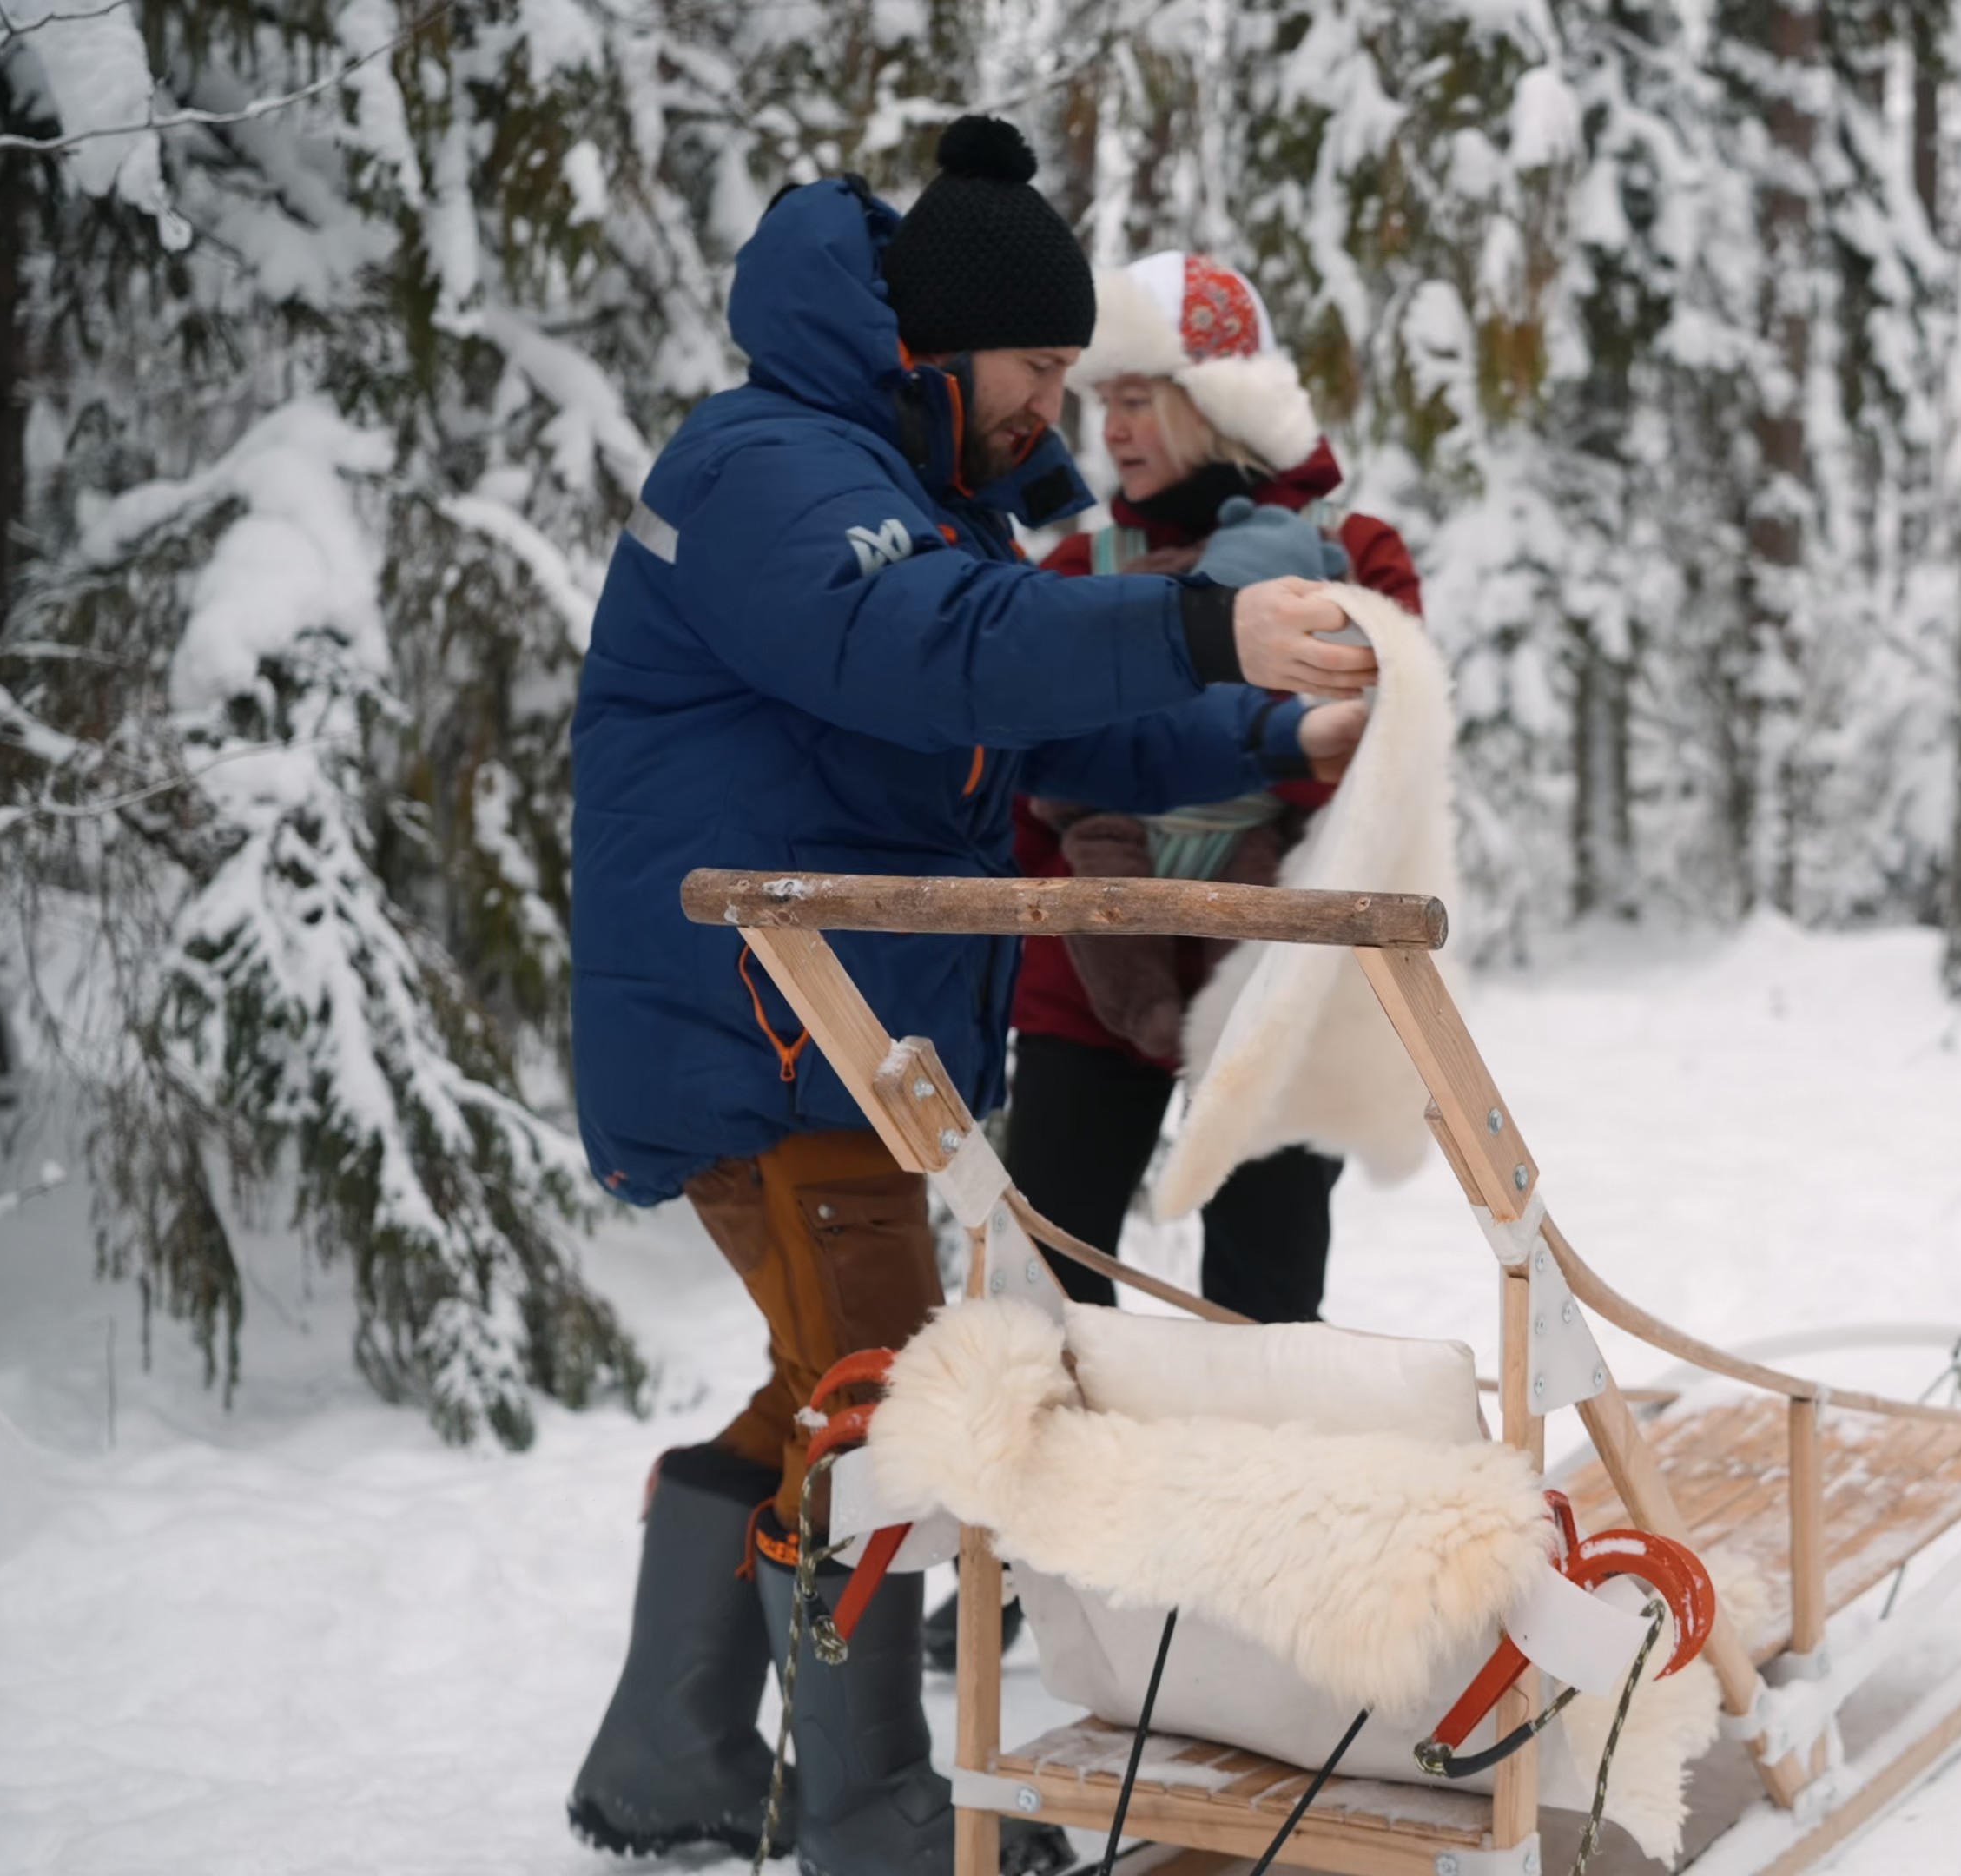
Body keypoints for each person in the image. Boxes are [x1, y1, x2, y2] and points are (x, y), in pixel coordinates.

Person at [559, 119, 1372, 1876]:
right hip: (763, 1033)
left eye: (1076, 376)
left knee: (831, 1383)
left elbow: (1041, 712)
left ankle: (674, 1759)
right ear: (937, 342)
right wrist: (1200, 633)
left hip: (826, 1037)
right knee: (888, 1401)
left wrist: (1268, 726)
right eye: (1037, 368)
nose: (1052, 411)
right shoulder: (774, 471)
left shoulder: (908, 493)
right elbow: (935, 651)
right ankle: (882, 1827)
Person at [1004, 251, 1424, 1325]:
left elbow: (1380, 771)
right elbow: (1027, 775)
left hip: (1275, 972)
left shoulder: (1357, 558)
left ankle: (1259, 1484)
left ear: (1218, 402)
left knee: (1267, 1302)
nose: (1115, 432)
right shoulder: (1068, 577)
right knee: (1050, 1288)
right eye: (1104, 404)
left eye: (1138, 399)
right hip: (1087, 977)